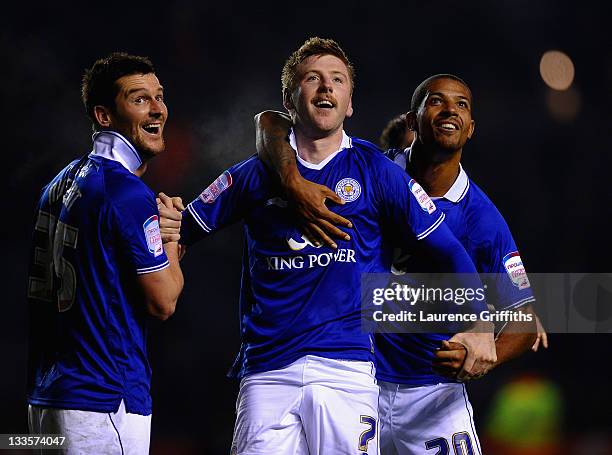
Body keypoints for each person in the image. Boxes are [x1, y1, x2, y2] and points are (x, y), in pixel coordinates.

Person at [160, 38, 493, 454]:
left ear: (350, 102)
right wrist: (170, 226)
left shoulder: (377, 171)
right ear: (289, 99)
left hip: (346, 369)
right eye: (312, 79)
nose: (325, 88)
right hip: (267, 372)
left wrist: (480, 324)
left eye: (337, 80)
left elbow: (450, 250)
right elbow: (183, 228)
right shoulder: (254, 174)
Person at [255, 74, 541, 454]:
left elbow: (525, 318)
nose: (450, 110)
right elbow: (270, 122)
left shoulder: (482, 220)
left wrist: (482, 353)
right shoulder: (372, 173)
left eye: (461, 104)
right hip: (357, 382)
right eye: (436, 101)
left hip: (432, 396)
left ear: (470, 129)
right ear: (412, 121)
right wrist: (290, 179)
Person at [26, 53, 184, 454]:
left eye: (159, 96)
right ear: (104, 115)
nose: (158, 109)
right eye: (139, 99)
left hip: (46, 402)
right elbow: (163, 301)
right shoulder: (126, 193)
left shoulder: (57, 185)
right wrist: (171, 241)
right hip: (101, 401)